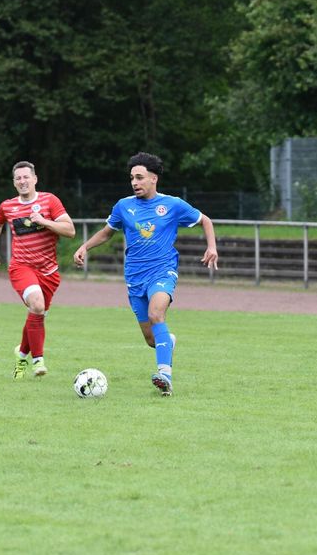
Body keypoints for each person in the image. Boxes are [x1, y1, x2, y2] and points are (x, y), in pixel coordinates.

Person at [73, 152, 219, 396]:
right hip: (134, 277)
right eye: (132, 178)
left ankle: (165, 376)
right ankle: (167, 342)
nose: (135, 182)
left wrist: (211, 247)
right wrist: (84, 247)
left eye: (139, 177)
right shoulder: (124, 206)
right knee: (151, 339)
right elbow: (107, 232)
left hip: (163, 271)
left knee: (156, 313)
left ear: (154, 178)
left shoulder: (172, 205)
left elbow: (205, 220)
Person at [0, 161, 75, 379]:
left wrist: (45, 221)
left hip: (49, 272)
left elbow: (70, 230)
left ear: (35, 179)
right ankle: (38, 360)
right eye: (18, 178)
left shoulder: (50, 200)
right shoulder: (8, 206)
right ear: (14, 183)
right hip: (21, 267)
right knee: (37, 304)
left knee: (37, 313)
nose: (22, 181)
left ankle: (22, 353)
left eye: (26, 177)